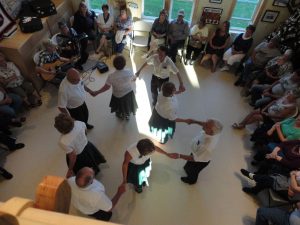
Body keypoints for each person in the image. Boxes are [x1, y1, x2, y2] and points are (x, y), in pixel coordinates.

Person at [54, 114, 106, 178]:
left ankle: (88, 176)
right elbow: (85, 132)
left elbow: (73, 157)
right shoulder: (79, 123)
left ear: (60, 129)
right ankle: (95, 169)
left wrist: (70, 169)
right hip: (88, 146)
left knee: (84, 167)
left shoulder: (62, 141)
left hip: (80, 157)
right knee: (92, 159)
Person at [177, 119, 223, 184]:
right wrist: (194, 121)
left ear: (211, 131)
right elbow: (205, 124)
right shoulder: (215, 132)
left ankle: (191, 180)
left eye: (206, 125)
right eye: (205, 122)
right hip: (196, 152)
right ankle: (187, 170)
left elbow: (194, 158)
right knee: (188, 166)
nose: (203, 124)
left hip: (200, 161)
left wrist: (179, 156)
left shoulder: (207, 145)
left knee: (193, 172)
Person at [93, 55, 137, 120]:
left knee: (119, 106)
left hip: (117, 95)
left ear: (114, 65)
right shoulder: (129, 71)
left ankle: (120, 115)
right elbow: (134, 79)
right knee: (127, 105)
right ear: (124, 64)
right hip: (129, 93)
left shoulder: (111, 76)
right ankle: (127, 115)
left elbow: (106, 87)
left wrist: (97, 92)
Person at [232, 92, 298, 129]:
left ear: (294, 98)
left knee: (256, 116)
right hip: (268, 110)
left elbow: (280, 116)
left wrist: (267, 114)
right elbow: (274, 102)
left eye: (290, 94)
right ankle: (242, 124)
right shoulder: (286, 97)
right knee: (254, 112)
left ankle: (242, 125)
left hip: (272, 118)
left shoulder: (291, 106)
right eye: (289, 93)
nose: (288, 94)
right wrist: (265, 108)